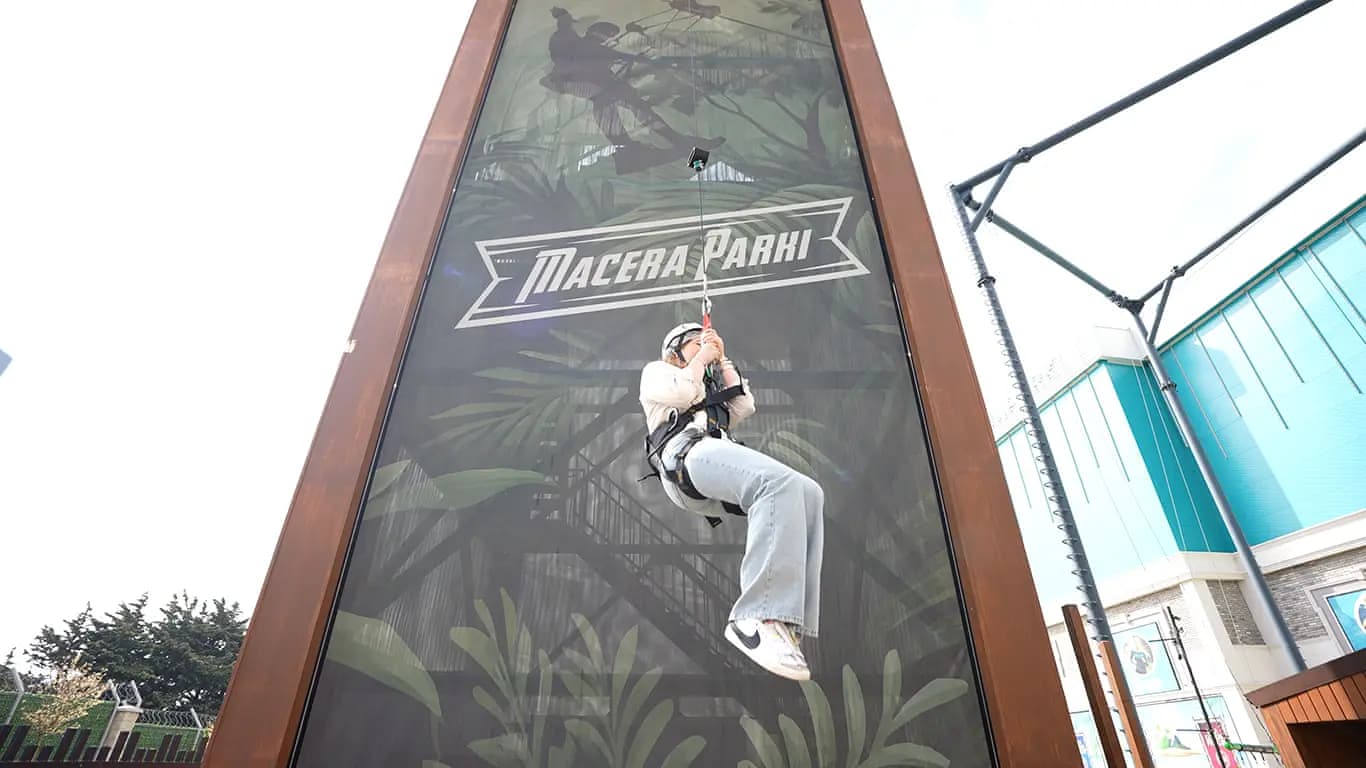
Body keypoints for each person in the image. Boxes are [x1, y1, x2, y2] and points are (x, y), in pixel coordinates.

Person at [640, 322, 824, 680]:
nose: (704, 346)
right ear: (674, 353)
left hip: (712, 459)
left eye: (706, 341)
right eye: (696, 343)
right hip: (685, 457)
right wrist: (703, 358)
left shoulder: (709, 383)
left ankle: (787, 622)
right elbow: (683, 391)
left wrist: (722, 360)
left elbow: (743, 405)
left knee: (807, 493)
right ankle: (755, 617)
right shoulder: (657, 372)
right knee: (775, 483)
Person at [543, 7, 723, 171]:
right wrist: (563, 17)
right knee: (625, 106)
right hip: (591, 88)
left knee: (636, 107)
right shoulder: (584, 46)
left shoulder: (596, 53)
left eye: (609, 36)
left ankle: (679, 149)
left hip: (603, 90)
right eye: (606, 35)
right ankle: (649, 149)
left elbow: (612, 57)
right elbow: (584, 43)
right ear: (595, 33)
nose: (608, 39)